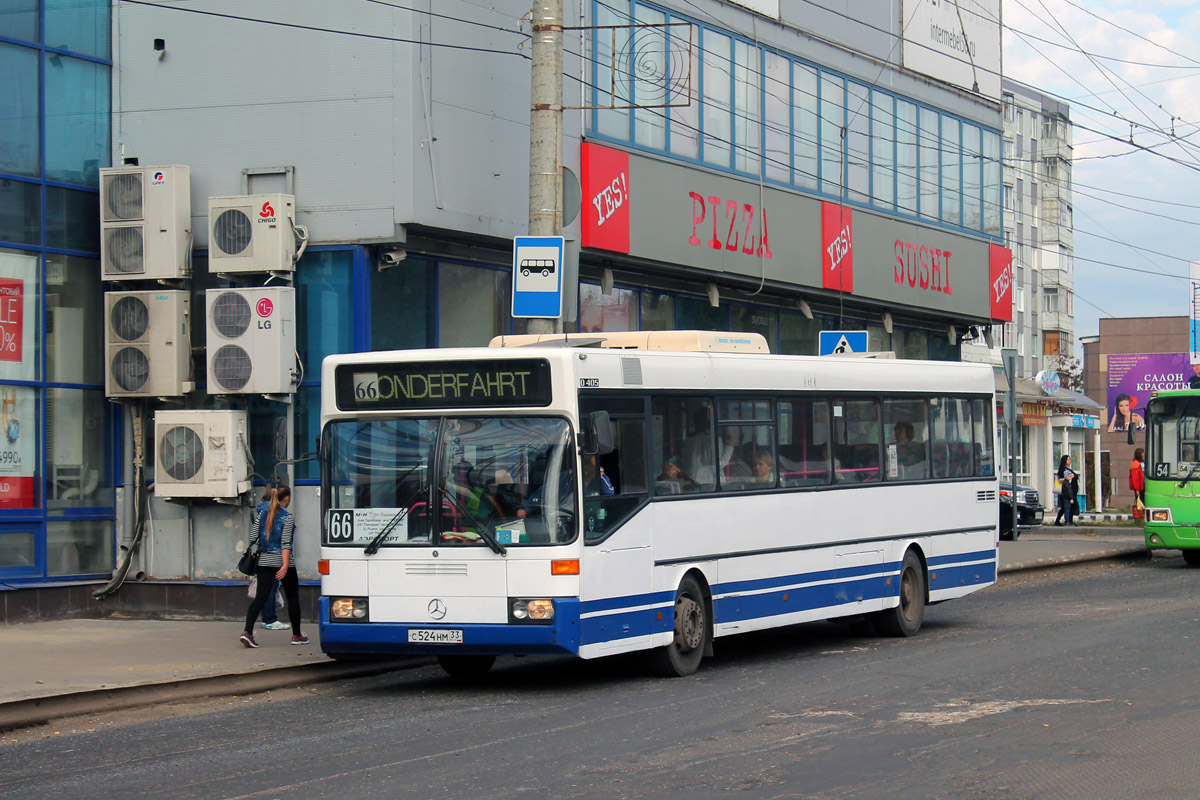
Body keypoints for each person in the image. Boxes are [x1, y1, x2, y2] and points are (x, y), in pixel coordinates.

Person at [240, 486, 308, 648]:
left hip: (264, 562)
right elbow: (285, 544)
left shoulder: (263, 514)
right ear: (287, 499)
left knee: (260, 597)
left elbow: (252, 537)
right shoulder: (287, 517)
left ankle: (247, 632)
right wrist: (284, 565)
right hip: (283, 562)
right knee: (292, 598)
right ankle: (297, 635)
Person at [255, 486, 288, 631]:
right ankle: (269, 619)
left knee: (264, 589)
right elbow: (285, 540)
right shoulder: (278, 514)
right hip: (275, 557)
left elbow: (252, 536)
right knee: (270, 588)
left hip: (262, 557)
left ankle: (265, 619)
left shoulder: (260, 511)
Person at [1054, 454, 1078, 527]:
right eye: (1068, 459)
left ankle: (1069, 520)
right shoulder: (1062, 470)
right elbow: (1059, 481)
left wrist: (1074, 476)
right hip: (1065, 492)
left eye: (1070, 459)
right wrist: (1066, 478)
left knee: (1068, 507)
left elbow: (1075, 476)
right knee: (1066, 507)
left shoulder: (1070, 470)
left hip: (1072, 491)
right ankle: (1066, 521)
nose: (1070, 461)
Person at [1130, 447, 1146, 519]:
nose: (1144, 454)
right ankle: (1139, 516)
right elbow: (1135, 477)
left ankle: (1143, 516)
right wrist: (1137, 489)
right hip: (1139, 486)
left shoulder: (1143, 462)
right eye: (1142, 453)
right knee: (1140, 501)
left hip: (1144, 484)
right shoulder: (1135, 464)